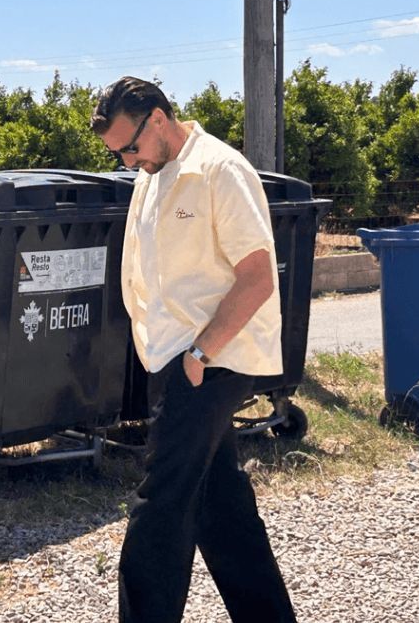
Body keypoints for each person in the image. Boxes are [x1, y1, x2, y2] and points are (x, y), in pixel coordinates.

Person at [91, 76, 296, 623]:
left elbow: (257, 277)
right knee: (219, 507)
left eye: (130, 147)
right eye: (118, 155)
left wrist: (200, 356)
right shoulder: (152, 176)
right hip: (172, 357)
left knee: (161, 504)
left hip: (212, 360)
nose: (128, 162)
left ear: (157, 118)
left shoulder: (220, 171)